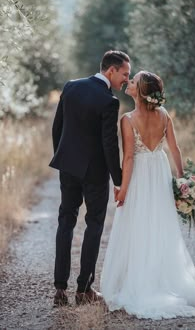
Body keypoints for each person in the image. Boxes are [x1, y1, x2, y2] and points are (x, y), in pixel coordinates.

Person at [100, 71, 195, 319]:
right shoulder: (164, 116)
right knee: (161, 225)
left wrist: (123, 187)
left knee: (137, 225)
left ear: (141, 92)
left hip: (141, 175)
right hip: (160, 173)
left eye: (132, 82)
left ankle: (142, 283)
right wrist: (183, 178)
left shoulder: (128, 120)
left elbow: (130, 157)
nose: (128, 83)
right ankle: (160, 277)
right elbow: (175, 148)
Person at [49, 50, 131, 306]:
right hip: (95, 174)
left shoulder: (71, 87)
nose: (126, 80)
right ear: (111, 71)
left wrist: (63, 157)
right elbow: (109, 145)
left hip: (68, 167)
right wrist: (118, 179)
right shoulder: (109, 101)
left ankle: (60, 290)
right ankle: (84, 290)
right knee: (94, 225)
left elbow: (57, 128)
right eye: (125, 74)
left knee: (65, 222)